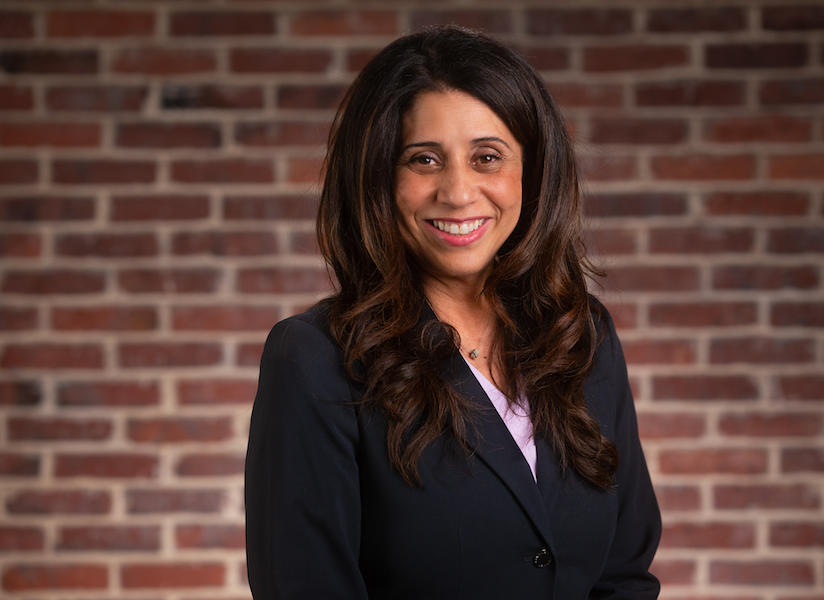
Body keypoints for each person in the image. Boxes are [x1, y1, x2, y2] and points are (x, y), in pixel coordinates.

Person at [245, 25, 661, 600]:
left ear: (533, 171)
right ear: (377, 178)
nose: (459, 192)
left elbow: (623, 577)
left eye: (487, 157)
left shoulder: (581, 336)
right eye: (424, 159)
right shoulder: (315, 360)